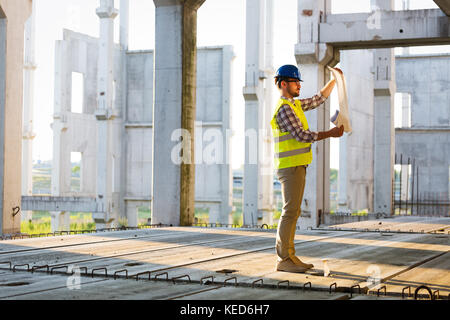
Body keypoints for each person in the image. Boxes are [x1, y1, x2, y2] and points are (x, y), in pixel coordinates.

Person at [271, 64, 344, 273]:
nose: (298, 86)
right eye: (295, 82)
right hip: (290, 167)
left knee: (293, 212)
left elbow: (317, 100)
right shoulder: (284, 108)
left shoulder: (293, 105)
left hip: (296, 166)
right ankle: (284, 258)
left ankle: (289, 256)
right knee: (289, 212)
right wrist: (329, 133)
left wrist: (334, 80)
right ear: (284, 84)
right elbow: (302, 135)